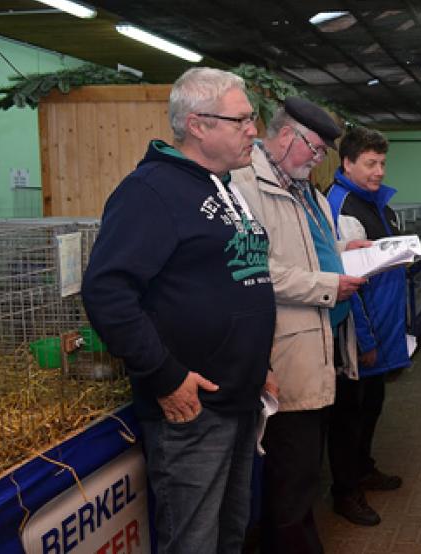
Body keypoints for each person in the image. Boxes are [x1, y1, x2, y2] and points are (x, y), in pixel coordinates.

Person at [81, 67, 275, 554]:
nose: (254, 129)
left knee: (230, 534)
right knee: (193, 542)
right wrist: (165, 375)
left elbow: (237, 281)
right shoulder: (150, 191)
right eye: (241, 120)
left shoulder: (223, 186)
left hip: (238, 398)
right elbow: (107, 291)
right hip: (193, 409)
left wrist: (259, 366)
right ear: (198, 125)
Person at [230, 98, 369, 554]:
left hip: (322, 341)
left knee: (306, 470)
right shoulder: (245, 187)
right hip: (287, 351)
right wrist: (327, 285)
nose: (319, 158)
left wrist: (351, 250)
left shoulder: (305, 189)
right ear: (287, 135)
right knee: (291, 473)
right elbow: (253, 270)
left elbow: (313, 250)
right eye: (315, 148)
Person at [325, 126, 409, 526]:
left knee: (372, 404)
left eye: (382, 163)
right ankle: (344, 490)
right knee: (348, 412)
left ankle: (363, 467)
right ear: (347, 163)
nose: (379, 171)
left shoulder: (377, 203)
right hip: (361, 328)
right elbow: (346, 281)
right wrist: (362, 337)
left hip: (386, 322)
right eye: (370, 163)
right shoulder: (341, 206)